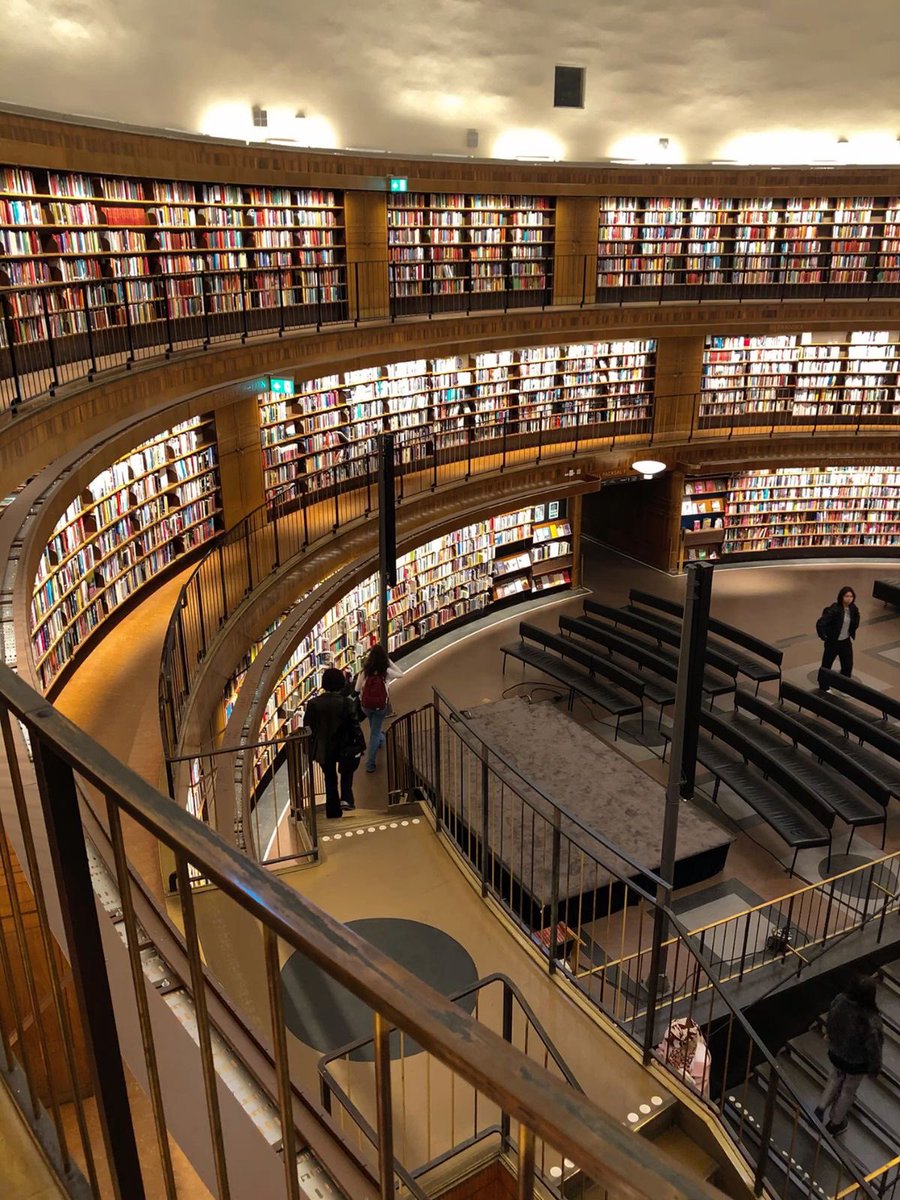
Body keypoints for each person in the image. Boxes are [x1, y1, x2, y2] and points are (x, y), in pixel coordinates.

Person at [815, 974, 882, 1135]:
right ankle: (836, 1122)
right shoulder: (870, 1019)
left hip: (836, 1052)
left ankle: (821, 1107)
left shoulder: (840, 1001)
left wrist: (830, 1037)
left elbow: (830, 1019)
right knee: (848, 1090)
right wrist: (874, 1068)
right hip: (856, 1063)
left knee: (834, 1077)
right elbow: (873, 1048)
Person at [303, 667, 365, 818]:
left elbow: (307, 726)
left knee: (329, 778)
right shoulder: (346, 703)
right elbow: (354, 725)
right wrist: (361, 744)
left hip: (323, 747)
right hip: (344, 745)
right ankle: (346, 798)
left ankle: (333, 811)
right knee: (346, 771)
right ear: (341, 683)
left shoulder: (313, 704)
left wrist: (310, 748)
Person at [355, 643, 403, 773]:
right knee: (374, 733)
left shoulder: (365, 671)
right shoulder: (385, 671)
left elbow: (357, 689)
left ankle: (381, 739)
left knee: (374, 727)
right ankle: (370, 764)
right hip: (380, 706)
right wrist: (389, 661)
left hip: (365, 706)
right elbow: (400, 674)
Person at [816, 585, 860, 689]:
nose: (849, 599)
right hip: (833, 642)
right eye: (846, 596)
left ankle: (843, 686)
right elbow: (820, 623)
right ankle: (823, 686)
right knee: (827, 665)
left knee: (847, 665)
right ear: (841, 597)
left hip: (845, 641)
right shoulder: (835, 609)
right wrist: (824, 637)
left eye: (851, 596)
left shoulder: (853, 609)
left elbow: (856, 618)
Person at [654, 1017, 711, 1096]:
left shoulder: (701, 1060)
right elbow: (661, 1050)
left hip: (684, 1093)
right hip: (663, 1077)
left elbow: (698, 1090)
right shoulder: (673, 1036)